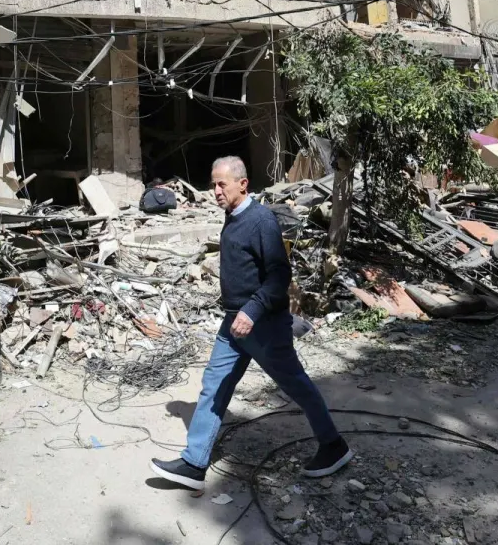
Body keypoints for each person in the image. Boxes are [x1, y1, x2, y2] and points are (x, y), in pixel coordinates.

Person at [150, 156, 351, 492]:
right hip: (234, 324)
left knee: (296, 384)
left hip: (264, 325)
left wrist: (251, 311)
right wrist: (237, 311)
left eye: (221, 184)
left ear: (242, 184)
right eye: (212, 184)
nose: (214, 191)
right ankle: (194, 463)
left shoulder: (261, 221)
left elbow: (279, 276)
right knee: (214, 384)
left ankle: (333, 446)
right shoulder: (233, 217)